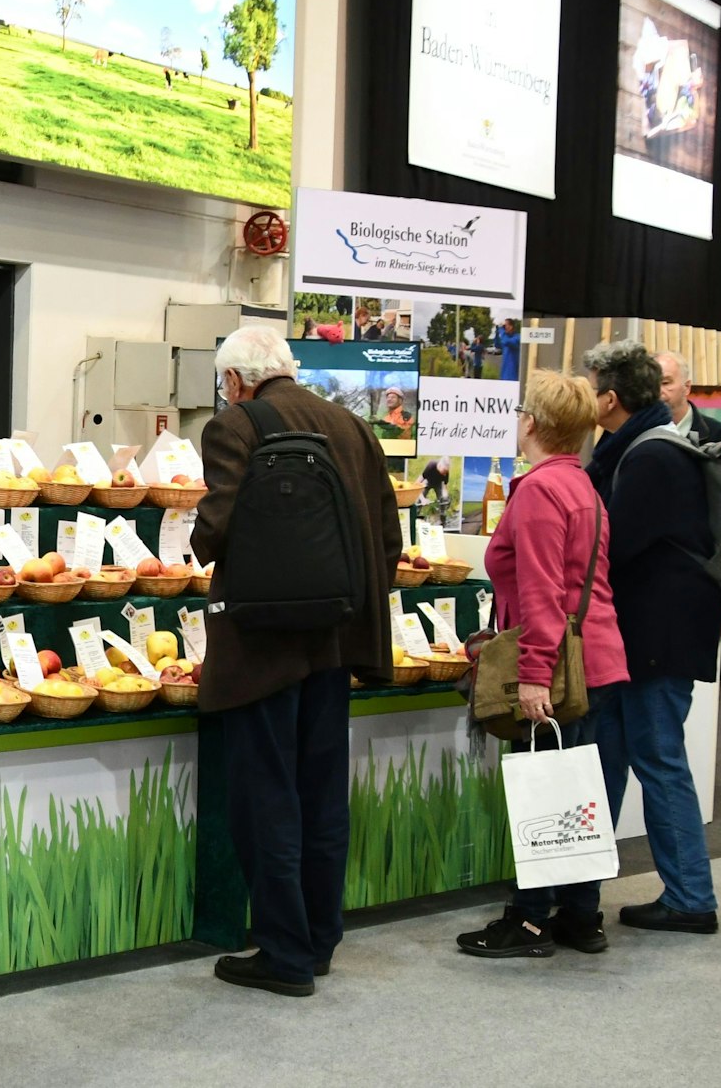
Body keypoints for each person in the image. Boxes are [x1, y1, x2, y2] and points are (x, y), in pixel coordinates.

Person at [192, 326, 399, 997]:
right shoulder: (351, 424)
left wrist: (200, 541)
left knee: (267, 794)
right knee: (320, 792)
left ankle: (281, 950)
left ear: (234, 381)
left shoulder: (236, 425)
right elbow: (388, 531)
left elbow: (214, 527)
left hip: (264, 645)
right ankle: (317, 940)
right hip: (337, 638)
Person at [458, 371, 630, 957]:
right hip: (596, 659)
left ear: (530, 423)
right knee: (580, 794)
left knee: (544, 795)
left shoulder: (536, 492)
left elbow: (540, 593)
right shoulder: (584, 487)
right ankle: (581, 916)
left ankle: (529, 920)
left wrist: (532, 674)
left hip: (555, 666)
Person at [581, 339, 721, 935]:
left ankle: (690, 896)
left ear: (610, 397)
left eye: (591, 389)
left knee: (658, 759)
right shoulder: (645, 447)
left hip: (652, 638)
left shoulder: (647, 457)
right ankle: (579, 887)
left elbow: (614, 548)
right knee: (610, 755)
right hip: (648, 634)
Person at [655, 350, 721, 445]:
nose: (658, 391)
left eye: (665, 383)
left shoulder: (720, 435)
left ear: (687, 387)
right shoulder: (639, 432)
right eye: (651, 384)